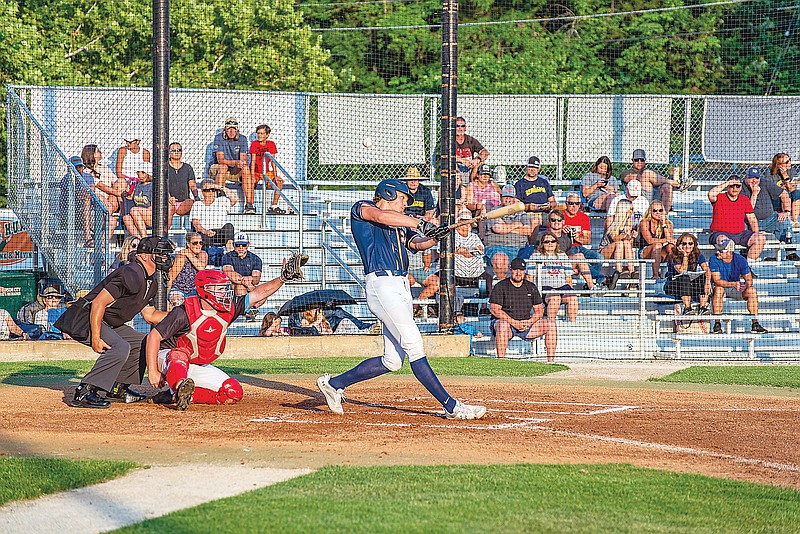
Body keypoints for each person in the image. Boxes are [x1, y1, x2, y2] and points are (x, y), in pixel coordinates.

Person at [316, 179, 485, 420]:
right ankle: (451, 406)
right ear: (388, 193)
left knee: (393, 361)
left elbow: (417, 243)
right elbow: (380, 217)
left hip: (402, 287)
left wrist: (437, 235)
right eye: (403, 198)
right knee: (414, 344)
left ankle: (333, 384)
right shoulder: (363, 208)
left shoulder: (400, 225)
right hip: (382, 286)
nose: (406, 204)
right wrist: (422, 223)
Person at [145, 256, 306, 410]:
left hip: (197, 363)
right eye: (221, 289)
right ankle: (178, 385)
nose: (225, 293)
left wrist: (283, 278)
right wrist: (153, 371)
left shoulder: (229, 308)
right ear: (205, 290)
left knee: (233, 393)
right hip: (168, 357)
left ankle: (178, 396)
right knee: (179, 355)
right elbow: (154, 336)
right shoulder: (184, 311)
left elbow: (258, 294)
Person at [54, 236, 176, 408]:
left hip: (109, 323)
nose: (165, 258)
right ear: (144, 256)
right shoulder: (131, 273)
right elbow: (98, 302)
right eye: (160, 254)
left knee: (143, 342)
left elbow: (150, 315)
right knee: (120, 347)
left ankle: (118, 388)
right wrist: (96, 337)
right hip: (86, 317)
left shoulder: (151, 281)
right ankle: (85, 391)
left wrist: (181, 314)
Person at [490, 257, 558, 361]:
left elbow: (540, 310)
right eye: (516, 270)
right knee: (502, 325)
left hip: (526, 324)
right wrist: (514, 323)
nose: (518, 273)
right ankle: (500, 361)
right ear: (510, 270)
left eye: (521, 270)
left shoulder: (531, 287)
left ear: (525, 271)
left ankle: (551, 362)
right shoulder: (501, 286)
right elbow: (494, 309)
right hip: (507, 324)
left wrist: (530, 322)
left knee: (551, 324)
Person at [417, 211, 485, 303]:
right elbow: (447, 251)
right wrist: (469, 251)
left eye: (468, 222)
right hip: (451, 274)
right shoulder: (449, 234)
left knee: (487, 277)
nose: (467, 224)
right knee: (435, 284)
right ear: (458, 222)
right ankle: (417, 306)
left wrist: (465, 251)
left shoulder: (474, 236)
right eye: (464, 221)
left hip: (474, 275)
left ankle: (484, 308)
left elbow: (480, 250)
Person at [708, 237, 767, 334]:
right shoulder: (714, 259)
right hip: (723, 287)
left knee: (751, 290)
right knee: (718, 289)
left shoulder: (740, 260)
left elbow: (749, 280)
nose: (718, 252)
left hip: (735, 287)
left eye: (721, 250)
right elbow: (717, 281)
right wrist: (734, 284)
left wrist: (746, 285)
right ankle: (717, 323)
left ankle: (755, 323)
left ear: (729, 252)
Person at [707, 175, 766, 261]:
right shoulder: (719, 197)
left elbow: (752, 219)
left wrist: (755, 234)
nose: (735, 188)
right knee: (726, 242)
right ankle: (730, 267)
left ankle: (748, 267)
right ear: (727, 187)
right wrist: (727, 183)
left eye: (737, 186)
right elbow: (710, 194)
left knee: (760, 238)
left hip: (740, 234)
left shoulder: (744, 200)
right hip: (720, 234)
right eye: (732, 186)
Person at [740, 166, 794, 257]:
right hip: (749, 222)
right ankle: (745, 254)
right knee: (742, 228)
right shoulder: (741, 188)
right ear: (746, 177)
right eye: (751, 178)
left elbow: (784, 194)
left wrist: (786, 211)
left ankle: (790, 253)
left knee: (784, 222)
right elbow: (748, 210)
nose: (754, 181)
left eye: (756, 178)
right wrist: (754, 194)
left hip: (769, 219)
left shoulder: (764, 183)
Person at [483, 186, 532, 282]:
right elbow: (498, 229)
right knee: (500, 260)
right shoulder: (494, 211)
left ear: (514, 198)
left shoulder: (521, 212)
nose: (508, 199)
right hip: (497, 247)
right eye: (506, 197)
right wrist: (517, 225)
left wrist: (505, 226)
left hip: (520, 247)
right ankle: (502, 289)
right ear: (501, 197)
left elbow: (528, 231)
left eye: (511, 197)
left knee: (536, 257)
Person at [209, 117, 256, 214]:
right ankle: (220, 201)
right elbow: (220, 160)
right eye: (229, 129)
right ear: (225, 130)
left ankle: (249, 205)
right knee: (223, 166)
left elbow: (243, 159)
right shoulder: (219, 138)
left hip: (234, 170)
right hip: (218, 169)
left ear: (237, 130)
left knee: (245, 168)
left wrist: (240, 163)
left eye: (234, 129)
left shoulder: (243, 139)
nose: (231, 132)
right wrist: (236, 162)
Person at [529, 231, 578, 322]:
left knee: (573, 297)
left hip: (562, 285)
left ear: (556, 243)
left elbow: (568, 277)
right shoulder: (536, 256)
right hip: (545, 286)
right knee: (555, 297)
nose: (550, 243)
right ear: (542, 244)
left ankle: (572, 323)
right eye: (547, 242)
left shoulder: (562, 255)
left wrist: (570, 289)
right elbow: (529, 277)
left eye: (553, 241)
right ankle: (550, 324)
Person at [81, 144, 124, 241]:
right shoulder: (87, 171)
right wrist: (119, 194)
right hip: (97, 201)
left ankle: (122, 214)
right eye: (98, 151)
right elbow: (100, 186)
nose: (101, 153)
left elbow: (115, 182)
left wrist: (121, 189)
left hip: (110, 201)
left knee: (121, 182)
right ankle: (101, 237)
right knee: (101, 196)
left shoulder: (104, 168)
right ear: (92, 154)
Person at [620, 149, 683, 213]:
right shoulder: (626, 172)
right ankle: (677, 184)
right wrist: (648, 177)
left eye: (642, 160)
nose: (639, 162)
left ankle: (664, 216)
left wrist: (652, 178)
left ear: (645, 161)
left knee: (667, 186)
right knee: (647, 173)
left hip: (654, 198)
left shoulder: (652, 172)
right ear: (632, 161)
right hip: (639, 199)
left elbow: (661, 181)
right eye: (636, 160)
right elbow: (631, 178)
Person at [563, 192, 606, 286]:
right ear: (566, 204)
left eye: (577, 203)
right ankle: (601, 279)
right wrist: (562, 232)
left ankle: (592, 282)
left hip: (579, 247)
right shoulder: (559, 217)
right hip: (566, 248)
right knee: (581, 258)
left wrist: (576, 237)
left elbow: (587, 240)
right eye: (571, 203)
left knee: (599, 258)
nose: (574, 206)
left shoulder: (584, 217)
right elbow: (550, 235)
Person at [664, 232, 712, 315]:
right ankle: (687, 308)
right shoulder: (674, 255)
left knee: (703, 277)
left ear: (694, 245)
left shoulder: (697, 255)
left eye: (690, 243)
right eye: (684, 243)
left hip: (689, 286)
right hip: (673, 285)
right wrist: (685, 256)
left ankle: (703, 307)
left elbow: (706, 269)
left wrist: (707, 282)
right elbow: (682, 271)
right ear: (679, 245)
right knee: (684, 277)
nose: (687, 246)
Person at [249, 124, 289, 215]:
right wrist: (251, 175)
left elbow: (273, 162)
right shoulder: (254, 144)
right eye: (258, 133)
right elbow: (253, 160)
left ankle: (273, 206)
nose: (259, 135)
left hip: (266, 172)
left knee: (279, 182)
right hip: (255, 171)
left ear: (267, 135)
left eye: (262, 133)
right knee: (250, 181)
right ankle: (251, 205)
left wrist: (275, 176)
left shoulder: (271, 144)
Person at [190, 179, 239, 251]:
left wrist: (220, 187)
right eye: (207, 190)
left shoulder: (221, 200)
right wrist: (205, 231)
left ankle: (230, 253)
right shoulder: (197, 204)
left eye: (212, 190)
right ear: (203, 192)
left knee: (229, 226)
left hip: (221, 232)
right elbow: (196, 223)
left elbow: (235, 199)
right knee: (201, 236)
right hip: (205, 233)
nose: (210, 192)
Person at [514, 156, 556, 236]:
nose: (532, 170)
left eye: (535, 168)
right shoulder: (520, 184)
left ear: (538, 169)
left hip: (545, 212)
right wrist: (528, 207)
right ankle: (532, 246)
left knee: (557, 218)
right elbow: (517, 205)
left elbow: (553, 201)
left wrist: (549, 206)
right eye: (530, 167)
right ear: (526, 167)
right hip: (529, 213)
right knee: (535, 220)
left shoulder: (544, 182)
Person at [598, 198, 637, 282]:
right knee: (619, 243)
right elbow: (614, 238)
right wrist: (624, 234)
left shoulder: (629, 220)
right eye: (631, 209)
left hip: (620, 251)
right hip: (606, 250)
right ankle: (619, 271)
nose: (633, 211)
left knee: (626, 243)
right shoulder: (610, 220)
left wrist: (631, 236)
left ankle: (632, 271)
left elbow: (628, 242)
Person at [167, 232, 208, 307]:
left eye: (201, 243)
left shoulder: (203, 254)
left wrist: (188, 254)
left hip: (194, 290)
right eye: (195, 243)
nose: (199, 245)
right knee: (177, 303)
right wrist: (165, 297)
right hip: (178, 289)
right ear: (188, 244)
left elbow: (201, 268)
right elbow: (171, 277)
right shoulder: (182, 257)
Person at [638, 200, 675, 279]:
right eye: (655, 210)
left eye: (660, 210)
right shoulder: (644, 222)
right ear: (650, 211)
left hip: (660, 252)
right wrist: (665, 240)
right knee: (657, 245)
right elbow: (649, 240)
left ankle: (673, 272)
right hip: (645, 250)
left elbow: (671, 239)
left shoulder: (668, 223)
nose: (658, 212)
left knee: (670, 247)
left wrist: (664, 225)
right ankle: (655, 275)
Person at [166, 142, 197, 228]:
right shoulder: (165, 167)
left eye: (179, 150)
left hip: (183, 203)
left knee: (193, 203)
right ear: (169, 152)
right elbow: (162, 186)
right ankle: (165, 236)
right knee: (170, 207)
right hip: (168, 202)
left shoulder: (187, 168)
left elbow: (192, 185)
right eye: (174, 150)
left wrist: (196, 196)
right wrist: (168, 197)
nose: (177, 152)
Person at [221, 232, 262, 297]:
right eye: (238, 245)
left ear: (248, 245)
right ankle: (242, 306)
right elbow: (230, 274)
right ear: (233, 245)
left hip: (249, 289)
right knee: (239, 287)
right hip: (233, 288)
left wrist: (243, 280)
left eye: (243, 245)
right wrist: (247, 283)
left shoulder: (255, 259)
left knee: (263, 294)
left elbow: (256, 279)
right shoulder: (227, 257)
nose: (241, 247)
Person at [765, 153, 799, 224]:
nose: (790, 162)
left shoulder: (792, 171)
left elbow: (792, 189)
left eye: (789, 160)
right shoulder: (770, 173)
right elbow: (770, 191)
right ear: (779, 165)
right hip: (776, 200)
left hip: (790, 198)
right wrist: (781, 188)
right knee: (786, 194)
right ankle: (788, 220)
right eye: (787, 162)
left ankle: (795, 221)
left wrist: (785, 176)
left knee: (797, 193)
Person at [124, 162, 154, 239]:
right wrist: (127, 193)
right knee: (126, 218)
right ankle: (140, 240)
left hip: (150, 216)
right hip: (138, 216)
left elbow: (152, 207)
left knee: (134, 210)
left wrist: (141, 212)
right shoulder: (138, 185)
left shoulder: (152, 186)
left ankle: (144, 237)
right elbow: (132, 198)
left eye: (143, 172)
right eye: (139, 173)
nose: (139, 175)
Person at [455, 116, 489, 181]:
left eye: (462, 126)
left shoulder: (470, 140)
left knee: (481, 162)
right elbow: (447, 155)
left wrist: (477, 159)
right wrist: (462, 161)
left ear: (465, 128)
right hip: (457, 169)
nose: (460, 128)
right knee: (452, 163)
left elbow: (485, 152)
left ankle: (473, 184)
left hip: (470, 169)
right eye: (457, 126)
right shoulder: (450, 140)